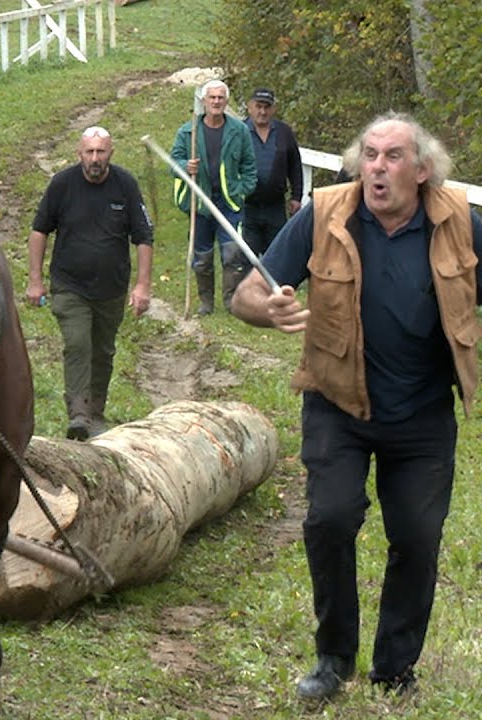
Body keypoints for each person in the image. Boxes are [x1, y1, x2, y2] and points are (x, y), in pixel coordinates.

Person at [230, 112, 482, 702]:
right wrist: (267, 309)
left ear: (422, 170)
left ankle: (396, 669)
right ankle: (333, 659)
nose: (377, 168)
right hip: (336, 403)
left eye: (393, 156)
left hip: (423, 414)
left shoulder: (459, 223)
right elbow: (247, 293)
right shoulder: (324, 215)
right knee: (330, 519)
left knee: (417, 538)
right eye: (369, 155)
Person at [25, 126, 154, 440]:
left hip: (111, 287)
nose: (95, 158)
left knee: (103, 351)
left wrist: (142, 286)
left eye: (101, 152)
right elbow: (39, 231)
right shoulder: (62, 184)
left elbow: (143, 237)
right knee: (78, 343)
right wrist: (35, 280)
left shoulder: (125, 185)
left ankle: (96, 410)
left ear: (111, 153)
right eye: (90, 152)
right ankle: (79, 413)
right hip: (70, 285)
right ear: (79, 153)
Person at [169, 79, 257, 314]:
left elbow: (249, 164)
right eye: (212, 97)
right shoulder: (188, 131)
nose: (216, 102)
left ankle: (230, 302)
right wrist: (185, 166)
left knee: (232, 253)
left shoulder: (239, 131)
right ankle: (206, 302)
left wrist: (243, 190)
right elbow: (173, 162)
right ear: (204, 101)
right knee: (202, 256)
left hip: (229, 202)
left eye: (220, 98)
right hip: (200, 201)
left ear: (226, 102)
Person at [241, 88, 302, 284]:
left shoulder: (284, 132)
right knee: (247, 257)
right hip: (247, 206)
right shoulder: (240, 131)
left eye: (267, 107)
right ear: (250, 107)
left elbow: (295, 164)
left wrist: (296, 196)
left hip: (275, 206)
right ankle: (247, 293)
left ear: (273, 109)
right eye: (258, 106)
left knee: (277, 255)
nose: (262, 111)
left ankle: (275, 291)